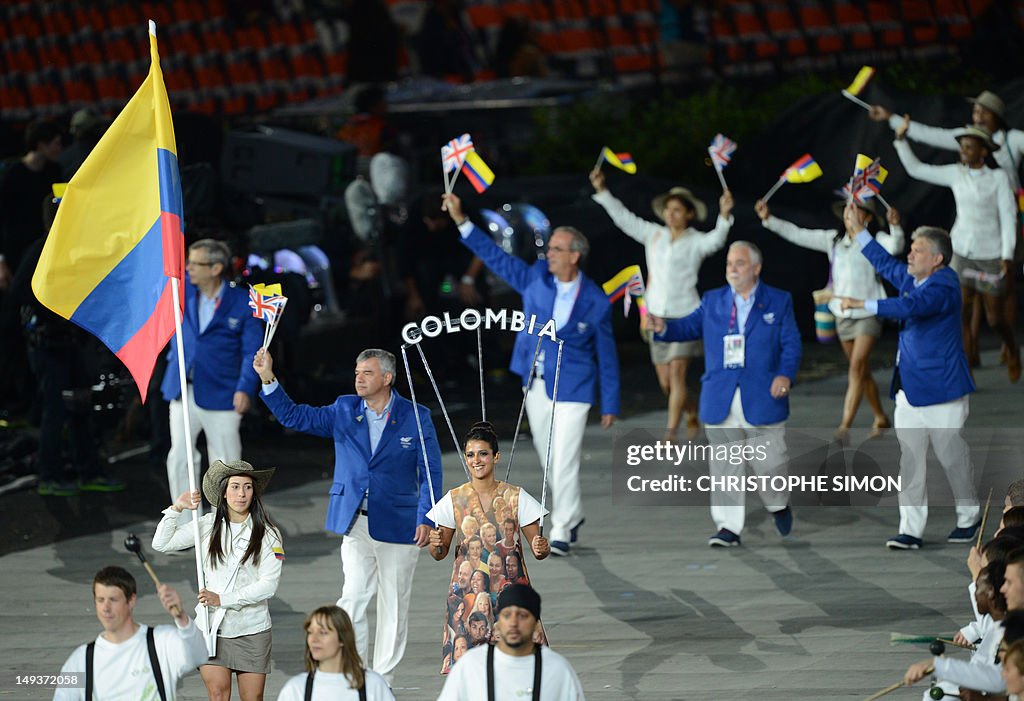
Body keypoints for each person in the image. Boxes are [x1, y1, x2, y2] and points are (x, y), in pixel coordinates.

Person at [442, 192, 620, 557]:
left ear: (574, 255)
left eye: (556, 248)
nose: (548, 253)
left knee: (565, 459)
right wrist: (462, 221)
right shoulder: (537, 278)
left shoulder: (595, 299)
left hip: (574, 387)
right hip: (535, 382)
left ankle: (564, 528)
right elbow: (497, 258)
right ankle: (574, 514)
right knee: (549, 459)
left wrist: (611, 402)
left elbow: (607, 352)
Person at [253, 346, 442, 684]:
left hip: (401, 525)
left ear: (387, 378)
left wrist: (426, 517)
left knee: (394, 606)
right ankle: (355, 675)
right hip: (355, 521)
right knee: (353, 597)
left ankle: (382, 680)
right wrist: (268, 377)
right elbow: (295, 416)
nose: (358, 379)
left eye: (367, 373)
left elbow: (430, 471)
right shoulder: (344, 408)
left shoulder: (416, 415)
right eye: (356, 373)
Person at [840, 207, 980, 549]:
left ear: (937, 258)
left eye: (917, 250)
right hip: (910, 388)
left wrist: (863, 303)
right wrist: (859, 231)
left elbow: (910, 308)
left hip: (943, 388)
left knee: (950, 456)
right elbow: (885, 265)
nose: (909, 254)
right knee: (911, 458)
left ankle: (970, 515)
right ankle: (910, 530)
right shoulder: (917, 278)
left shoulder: (945, 283)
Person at [649, 241, 801, 547]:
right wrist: (663, 327)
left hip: (763, 395)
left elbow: (792, 344)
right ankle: (728, 527)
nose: (732, 268)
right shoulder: (713, 299)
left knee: (771, 466)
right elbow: (689, 327)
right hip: (720, 394)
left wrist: (784, 375)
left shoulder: (778, 300)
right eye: (730, 262)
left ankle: (778, 503)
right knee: (724, 465)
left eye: (740, 263)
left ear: (756, 268)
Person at [869, 90, 1024, 365]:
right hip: (962, 249)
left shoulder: (1003, 165)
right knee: (959, 308)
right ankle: (965, 362)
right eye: (974, 113)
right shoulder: (957, 171)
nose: (976, 117)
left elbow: (1008, 216)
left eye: (982, 113)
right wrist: (899, 134)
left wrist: (1007, 255)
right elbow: (920, 163)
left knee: (994, 316)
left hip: (993, 250)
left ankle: (1011, 347)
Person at [591, 169, 733, 441]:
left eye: (677, 210)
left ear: (689, 214)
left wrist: (724, 216)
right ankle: (691, 411)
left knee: (678, 375)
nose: (671, 214)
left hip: (685, 315)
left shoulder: (696, 241)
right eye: (668, 209)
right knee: (666, 383)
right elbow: (624, 219)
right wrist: (603, 191)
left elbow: (716, 240)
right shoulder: (653, 234)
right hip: (654, 316)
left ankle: (670, 433)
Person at [755, 196, 903, 439]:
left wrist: (895, 226)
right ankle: (880, 417)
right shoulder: (833, 241)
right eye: (847, 211)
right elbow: (799, 234)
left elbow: (895, 246)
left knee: (856, 368)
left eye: (855, 211)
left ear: (866, 217)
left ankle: (845, 426)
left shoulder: (875, 241)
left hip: (869, 312)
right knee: (861, 371)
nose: (849, 215)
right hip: (841, 312)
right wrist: (768, 219)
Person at [152, 459, 284, 701]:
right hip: (211, 628)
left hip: (251, 628)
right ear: (223, 493)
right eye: (234, 487)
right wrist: (177, 508)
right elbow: (161, 543)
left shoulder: (268, 534)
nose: (241, 494)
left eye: (247, 487)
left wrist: (222, 599)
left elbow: (268, 585)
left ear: (254, 493)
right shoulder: (206, 526)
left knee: (252, 698)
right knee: (217, 694)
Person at [428, 421, 550, 673]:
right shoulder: (454, 498)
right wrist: (435, 544)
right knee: (472, 673)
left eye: (483, 454)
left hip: (512, 595)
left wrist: (542, 547)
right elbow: (439, 553)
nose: (477, 460)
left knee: (520, 668)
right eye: (471, 455)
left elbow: (538, 550)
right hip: (468, 597)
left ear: (496, 456)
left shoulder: (516, 497)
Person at [160, 239, 263, 509]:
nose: (188, 268)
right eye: (188, 262)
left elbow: (252, 351)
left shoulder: (242, 301)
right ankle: (184, 526)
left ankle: (229, 525)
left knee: (227, 462)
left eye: (196, 263)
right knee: (180, 457)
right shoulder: (180, 291)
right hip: (183, 387)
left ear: (216, 267)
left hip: (224, 392)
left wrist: (245, 388)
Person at [53, 566, 208, 701]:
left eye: (113, 599)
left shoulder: (161, 642)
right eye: (100, 600)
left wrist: (181, 618)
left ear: (132, 600)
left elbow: (200, 656)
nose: (105, 608)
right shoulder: (80, 659)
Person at [436, 583, 585, 701]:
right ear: (498, 622)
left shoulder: (556, 668)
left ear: (535, 622)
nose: (513, 623)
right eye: (507, 615)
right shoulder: (471, 666)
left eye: (522, 616)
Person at [276, 605, 395, 701]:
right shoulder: (295, 690)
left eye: (323, 632)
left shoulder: (373, 685)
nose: (313, 639)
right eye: (310, 632)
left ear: (342, 639)